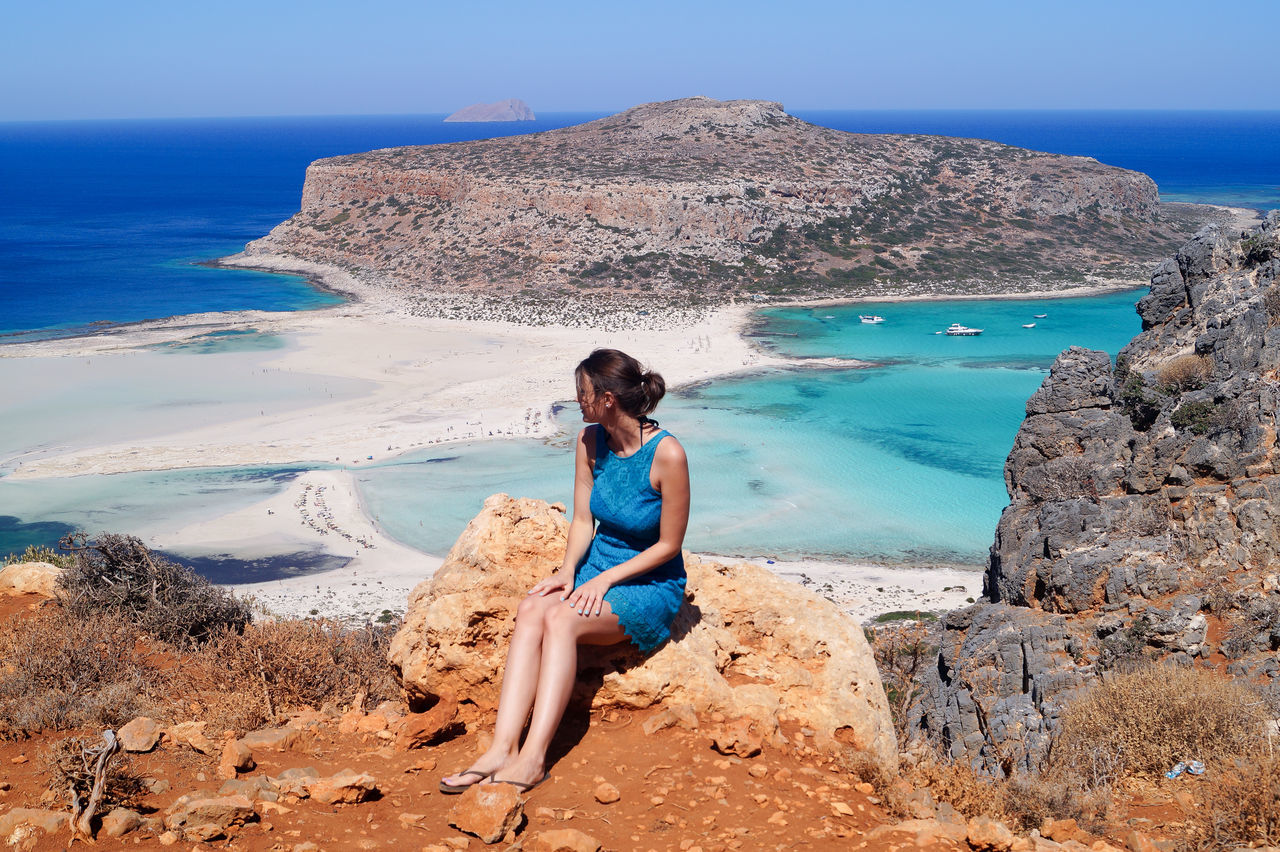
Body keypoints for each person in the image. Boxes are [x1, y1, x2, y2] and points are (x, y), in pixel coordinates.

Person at [440, 348, 690, 794]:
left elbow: (670, 545)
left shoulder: (667, 454)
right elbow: (581, 521)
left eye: (584, 393)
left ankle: (533, 759)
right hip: (597, 563)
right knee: (533, 607)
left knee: (560, 619)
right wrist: (568, 571)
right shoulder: (589, 441)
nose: (578, 401)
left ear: (608, 399)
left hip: (648, 582)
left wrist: (605, 579)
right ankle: (501, 749)